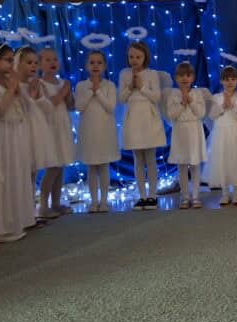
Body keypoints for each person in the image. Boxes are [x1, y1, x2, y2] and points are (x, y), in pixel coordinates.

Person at [0, 43, 36, 242]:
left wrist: (17, 89)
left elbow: (26, 108)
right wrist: (11, 90)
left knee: (15, 174)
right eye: (8, 60)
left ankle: (14, 221)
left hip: (15, 133)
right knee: (3, 176)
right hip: (0, 136)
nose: (12, 64)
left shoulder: (8, 82)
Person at [118, 42, 166, 210]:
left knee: (150, 158)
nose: (134, 60)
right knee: (138, 159)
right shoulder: (124, 74)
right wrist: (131, 87)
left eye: (138, 57)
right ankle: (142, 195)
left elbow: (157, 97)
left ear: (145, 57)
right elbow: (121, 98)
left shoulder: (152, 74)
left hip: (148, 118)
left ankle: (152, 195)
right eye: (131, 57)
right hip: (133, 119)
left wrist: (142, 87)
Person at [14, 47, 60, 220]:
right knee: (23, 173)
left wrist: (39, 95)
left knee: (32, 172)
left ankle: (30, 213)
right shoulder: (15, 84)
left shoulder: (36, 84)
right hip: (22, 130)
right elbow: (19, 108)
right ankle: (22, 214)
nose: (33, 66)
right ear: (18, 64)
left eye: (35, 63)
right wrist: (32, 95)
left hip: (36, 130)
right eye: (29, 62)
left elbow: (48, 109)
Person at [74, 51, 120, 213]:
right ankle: (93, 201)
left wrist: (98, 91)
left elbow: (110, 107)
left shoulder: (109, 86)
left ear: (104, 66)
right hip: (89, 132)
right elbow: (79, 106)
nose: (95, 66)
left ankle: (104, 200)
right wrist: (90, 91)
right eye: (92, 62)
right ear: (87, 66)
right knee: (92, 167)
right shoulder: (81, 86)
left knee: (104, 166)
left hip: (104, 132)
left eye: (99, 62)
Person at [39, 48, 76, 217]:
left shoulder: (62, 83)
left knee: (60, 166)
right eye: (47, 60)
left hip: (62, 126)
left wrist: (68, 93)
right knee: (53, 166)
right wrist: (64, 91)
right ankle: (43, 205)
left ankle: (55, 203)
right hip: (49, 128)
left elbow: (70, 105)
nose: (52, 63)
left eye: (55, 59)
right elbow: (50, 103)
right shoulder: (40, 84)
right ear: (40, 64)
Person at [167, 61, 208, 208]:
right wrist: (182, 104)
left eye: (188, 75)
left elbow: (201, 113)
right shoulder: (173, 94)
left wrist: (191, 102)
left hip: (194, 130)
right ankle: (185, 197)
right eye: (181, 75)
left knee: (195, 164)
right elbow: (172, 115)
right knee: (182, 165)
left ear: (193, 77)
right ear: (176, 78)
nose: (185, 78)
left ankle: (195, 196)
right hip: (180, 132)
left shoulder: (197, 93)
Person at [208, 66, 237, 206]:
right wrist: (222, 107)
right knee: (222, 162)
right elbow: (212, 115)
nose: (230, 82)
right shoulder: (216, 97)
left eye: (233, 79)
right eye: (226, 79)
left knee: (236, 161)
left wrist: (231, 106)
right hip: (221, 134)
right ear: (221, 81)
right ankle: (225, 193)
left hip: (235, 133)